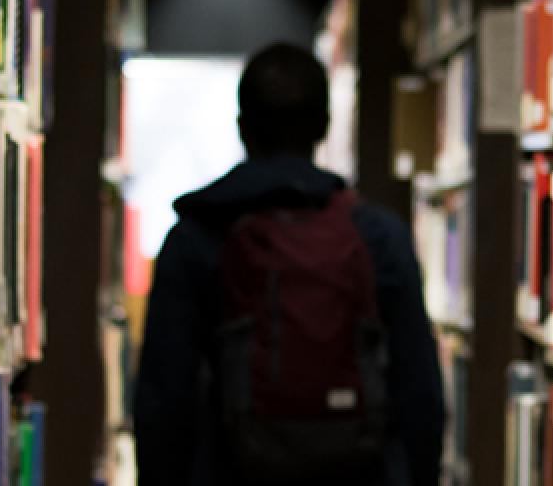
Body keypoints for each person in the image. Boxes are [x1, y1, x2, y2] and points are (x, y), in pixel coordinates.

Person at [134, 43, 445, 485]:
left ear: (243, 128)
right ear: (324, 127)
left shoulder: (196, 238)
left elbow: (164, 402)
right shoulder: (378, 237)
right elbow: (420, 395)